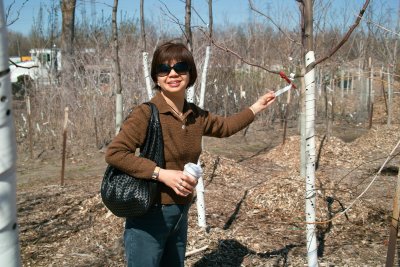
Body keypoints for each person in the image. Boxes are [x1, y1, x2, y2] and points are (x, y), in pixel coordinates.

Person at [105, 41, 276, 267]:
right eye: (164, 69)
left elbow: (225, 127)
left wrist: (256, 108)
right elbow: (115, 153)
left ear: (190, 74)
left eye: (180, 67)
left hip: (180, 211)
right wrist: (161, 174)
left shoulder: (195, 115)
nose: (172, 74)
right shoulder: (145, 113)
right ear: (156, 77)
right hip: (149, 213)